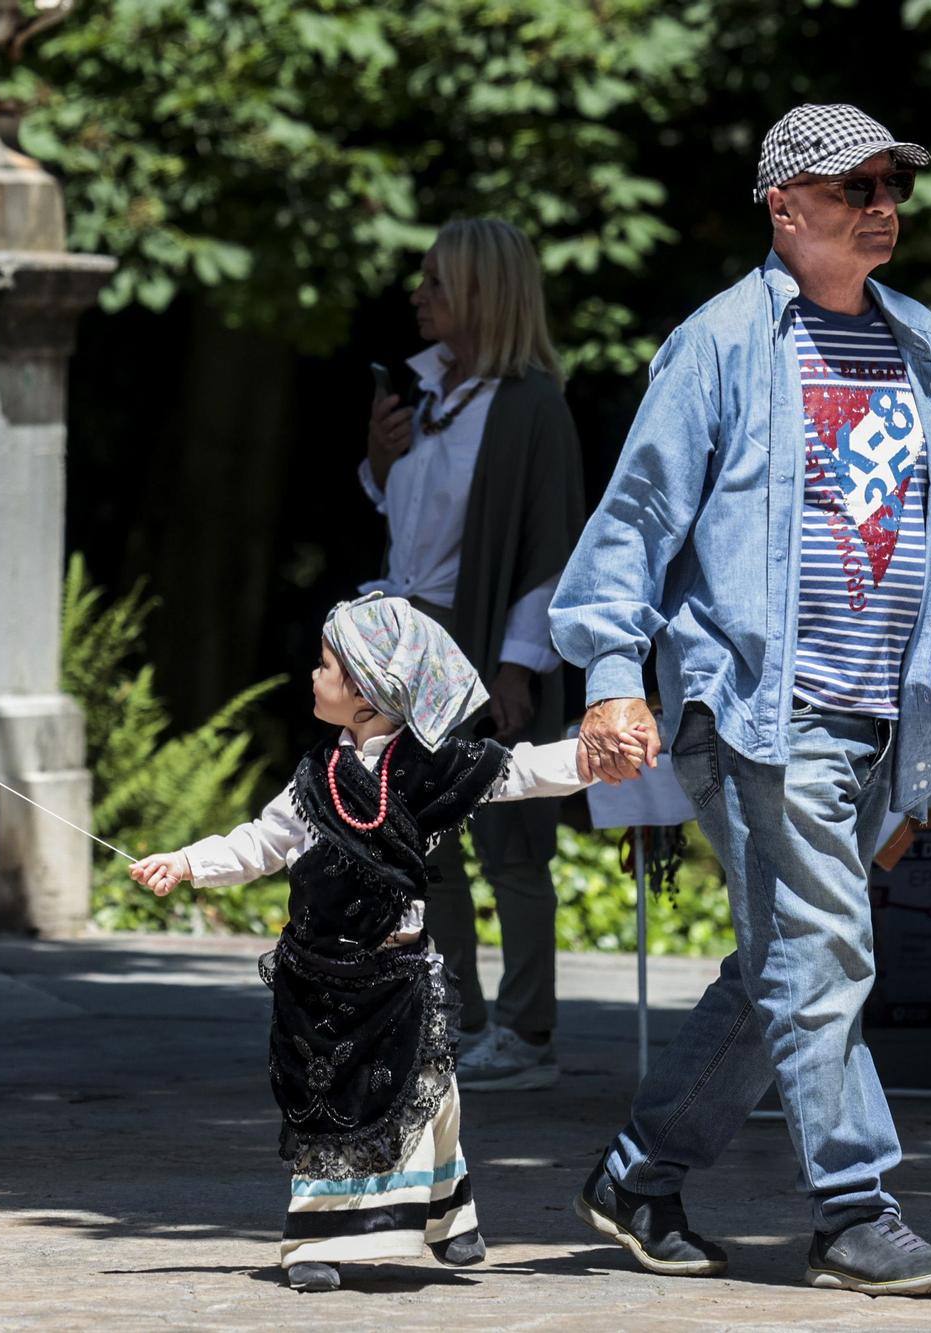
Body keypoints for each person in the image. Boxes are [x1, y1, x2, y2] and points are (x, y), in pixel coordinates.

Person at [549, 104, 931, 1297]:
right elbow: (636, 522)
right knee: (822, 948)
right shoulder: (718, 343)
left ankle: (637, 1172)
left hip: (885, 716)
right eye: (852, 184)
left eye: (890, 183)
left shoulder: (923, 347)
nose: (880, 204)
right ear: (783, 204)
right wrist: (609, 674)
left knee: (782, 965)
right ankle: (853, 1206)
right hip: (757, 706)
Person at [129, 594, 634, 1292]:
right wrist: (186, 862)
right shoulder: (314, 778)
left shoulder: (431, 769)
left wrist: (590, 757)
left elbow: (516, 771)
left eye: (327, 665)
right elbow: (262, 840)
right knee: (327, 1103)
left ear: (367, 691)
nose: (313, 675)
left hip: (398, 973)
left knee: (426, 1094)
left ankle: (447, 1216)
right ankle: (312, 1239)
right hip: (321, 979)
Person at [360, 217, 584, 1092]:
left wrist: (517, 667)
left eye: (439, 284)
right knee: (421, 840)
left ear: (485, 297)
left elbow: (550, 549)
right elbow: (408, 525)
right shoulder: (422, 395)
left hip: (485, 639)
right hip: (408, 637)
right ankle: (456, 1016)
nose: (420, 296)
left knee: (510, 840)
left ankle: (529, 1036)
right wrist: (380, 464)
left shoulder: (532, 407)